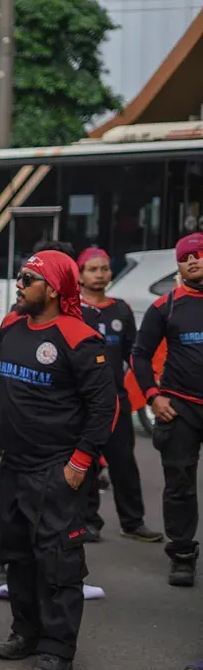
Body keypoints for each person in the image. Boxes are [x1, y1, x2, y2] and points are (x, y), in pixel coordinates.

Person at [0, 250, 115, 670]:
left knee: (58, 561)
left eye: (28, 279)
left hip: (59, 468)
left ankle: (57, 650)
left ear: (53, 289)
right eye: (19, 277)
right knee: (16, 554)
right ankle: (26, 632)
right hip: (15, 466)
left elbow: (104, 408)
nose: (18, 285)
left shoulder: (80, 339)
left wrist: (81, 461)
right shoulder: (12, 326)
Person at [132, 232, 203, 589]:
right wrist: (153, 397)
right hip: (180, 408)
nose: (193, 261)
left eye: (199, 255)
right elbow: (140, 355)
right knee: (180, 486)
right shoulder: (167, 306)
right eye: (186, 257)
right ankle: (182, 556)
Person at [77, 247, 159, 543]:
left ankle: (133, 522)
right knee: (84, 464)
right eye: (92, 269)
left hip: (115, 402)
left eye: (104, 268)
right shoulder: (73, 308)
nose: (100, 274)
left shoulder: (121, 310)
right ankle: (88, 521)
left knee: (124, 462)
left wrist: (151, 391)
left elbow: (135, 355)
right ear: (80, 274)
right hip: (81, 404)